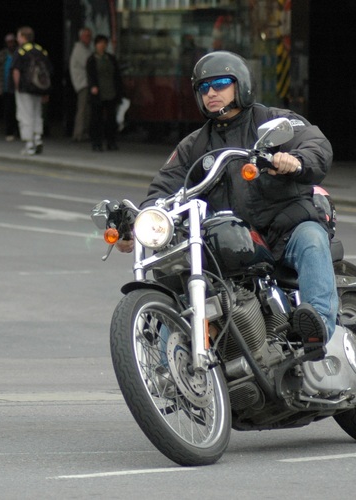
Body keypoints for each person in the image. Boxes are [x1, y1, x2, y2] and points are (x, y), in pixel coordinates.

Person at [116, 51, 336, 358]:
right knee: (185, 272)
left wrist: (295, 160)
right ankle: (172, 358)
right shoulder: (194, 145)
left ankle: (318, 327)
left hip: (284, 228)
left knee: (312, 240)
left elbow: (315, 144)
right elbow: (163, 187)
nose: (212, 93)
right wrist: (141, 219)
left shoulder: (274, 121)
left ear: (241, 85)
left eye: (220, 83)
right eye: (204, 88)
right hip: (233, 242)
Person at [12, 26, 51, 155]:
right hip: (39, 87)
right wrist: (46, 91)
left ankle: (29, 144)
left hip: (25, 87)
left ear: (23, 37)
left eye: (18, 36)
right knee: (37, 113)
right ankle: (38, 138)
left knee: (25, 114)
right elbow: (48, 71)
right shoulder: (41, 50)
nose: (17, 39)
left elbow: (16, 70)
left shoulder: (21, 51)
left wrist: (17, 87)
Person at [86, 35, 124, 151]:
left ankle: (111, 141)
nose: (102, 46)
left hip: (110, 91)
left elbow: (117, 75)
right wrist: (93, 86)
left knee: (111, 119)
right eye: (100, 43)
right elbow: (90, 75)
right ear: (96, 45)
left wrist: (120, 91)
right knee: (96, 119)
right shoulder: (92, 59)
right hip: (98, 93)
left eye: (104, 43)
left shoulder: (110, 58)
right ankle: (96, 142)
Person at [0, 33, 19, 141]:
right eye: (8, 42)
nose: (11, 44)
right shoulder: (1, 55)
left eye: (12, 41)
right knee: (8, 111)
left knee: (19, 111)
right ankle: (9, 132)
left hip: (18, 88)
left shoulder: (20, 53)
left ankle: (20, 131)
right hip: (6, 87)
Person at [69, 27, 93, 142]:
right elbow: (89, 64)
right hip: (83, 83)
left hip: (86, 83)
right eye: (87, 35)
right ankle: (78, 133)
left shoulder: (86, 48)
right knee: (82, 109)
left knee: (87, 109)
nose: (90, 38)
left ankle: (84, 132)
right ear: (81, 37)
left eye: (90, 35)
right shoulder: (79, 49)